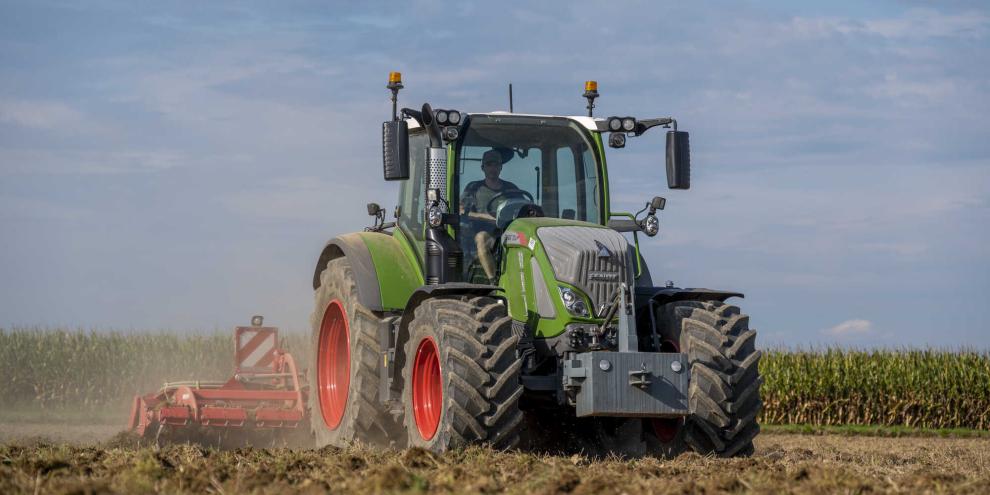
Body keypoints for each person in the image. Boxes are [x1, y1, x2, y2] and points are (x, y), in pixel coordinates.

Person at [461, 149, 520, 279]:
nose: (493, 168)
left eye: (496, 164)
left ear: (501, 167)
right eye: (489, 164)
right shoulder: (474, 188)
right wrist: (487, 217)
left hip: (508, 233)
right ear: (483, 167)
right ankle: (493, 281)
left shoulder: (512, 189)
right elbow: (461, 211)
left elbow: (521, 208)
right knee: (481, 238)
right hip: (487, 234)